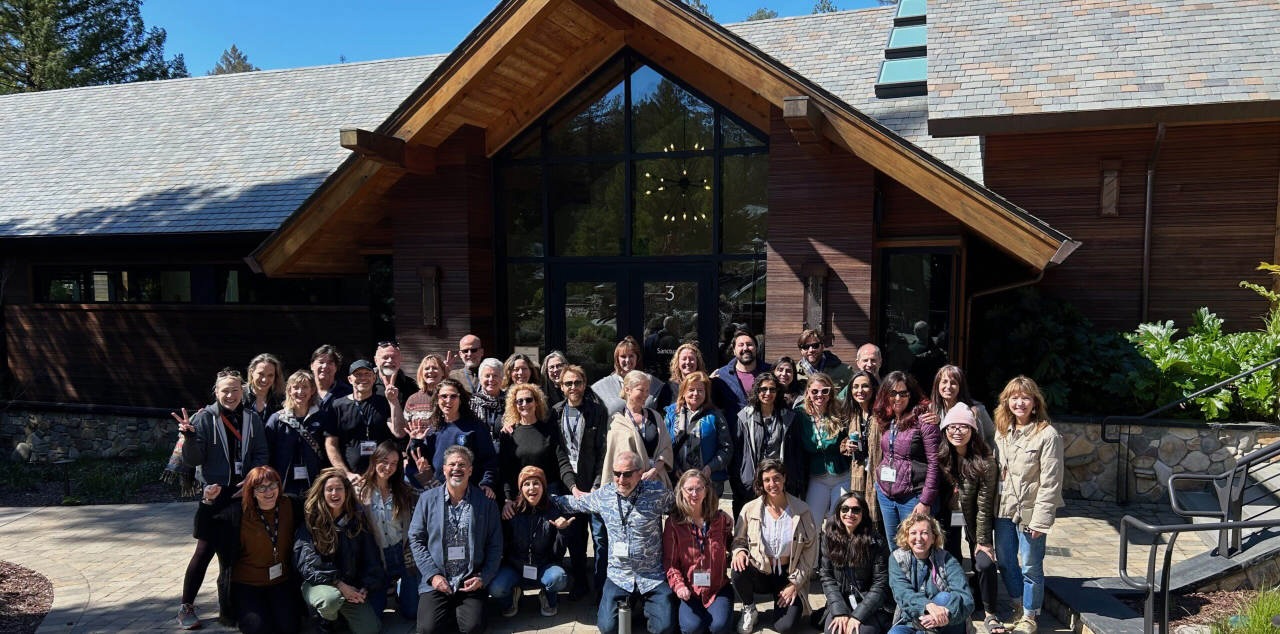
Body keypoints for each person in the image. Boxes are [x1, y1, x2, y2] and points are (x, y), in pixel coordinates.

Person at [174, 368, 269, 630]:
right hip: (214, 494)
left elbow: (261, 453)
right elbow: (193, 460)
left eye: (235, 390)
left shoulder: (252, 419)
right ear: (216, 392)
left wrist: (251, 482)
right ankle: (186, 605)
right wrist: (190, 437)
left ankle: (230, 608)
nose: (230, 395)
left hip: (244, 492)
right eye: (225, 390)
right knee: (204, 551)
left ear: (243, 391)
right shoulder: (203, 418)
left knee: (236, 554)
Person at [551, 451, 676, 634]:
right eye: (616, 473)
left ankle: (643, 608)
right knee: (607, 628)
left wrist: (717, 515)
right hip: (619, 576)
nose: (620, 479)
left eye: (627, 474)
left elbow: (685, 504)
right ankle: (632, 606)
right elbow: (573, 503)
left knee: (665, 628)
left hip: (651, 576)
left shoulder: (656, 493)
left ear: (640, 473)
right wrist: (538, 497)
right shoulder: (605, 495)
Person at [993, 377, 1064, 634]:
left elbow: (1051, 482)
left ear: (1035, 403)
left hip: (1031, 511)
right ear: (1007, 401)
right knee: (1005, 561)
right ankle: (1018, 606)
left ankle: (1031, 616)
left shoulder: (1047, 434)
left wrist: (1041, 521)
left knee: (1032, 565)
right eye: (1014, 397)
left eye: (1025, 397)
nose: (1019, 402)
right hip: (1002, 509)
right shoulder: (1001, 433)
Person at [407, 445, 503, 633]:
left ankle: (459, 612)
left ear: (470, 470)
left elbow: (495, 544)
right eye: (452, 464)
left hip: (470, 580)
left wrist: (483, 577)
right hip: (438, 580)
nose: (456, 468)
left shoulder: (486, 503)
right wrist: (433, 576)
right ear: (443, 469)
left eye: (462, 464)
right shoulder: (427, 499)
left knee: (473, 627)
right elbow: (416, 539)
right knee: (427, 629)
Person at [195, 466, 303, 634]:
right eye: (261, 488)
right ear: (251, 491)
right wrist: (207, 502)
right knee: (259, 628)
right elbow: (204, 530)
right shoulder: (238, 513)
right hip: (247, 585)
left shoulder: (290, 505)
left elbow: (318, 503)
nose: (268, 492)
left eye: (272, 485)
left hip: (281, 582)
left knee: (289, 627)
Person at [730, 459, 818, 634]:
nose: (772, 484)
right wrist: (739, 551)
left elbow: (810, 552)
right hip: (760, 572)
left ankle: (785, 605)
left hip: (788, 574)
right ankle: (749, 608)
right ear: (761, 483)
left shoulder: (802, 510)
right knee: (738, 569)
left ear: (784, 478)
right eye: (767, 480)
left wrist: (795, 583)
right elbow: (738, 538)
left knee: (784, 626)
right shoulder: (750, 509)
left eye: (776, 478)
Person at [294, 468, 384, 634]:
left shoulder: (357, 520)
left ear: (346, 492)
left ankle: (338, 616)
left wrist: (366, 586)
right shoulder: (311, 521)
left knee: (370, 629)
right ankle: (325, 621)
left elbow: (371, 559)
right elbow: (308, 564)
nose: (335, 493)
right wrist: (338, 584)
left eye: (339, 489)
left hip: (350, 586)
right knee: (330, 600)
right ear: (322, 492)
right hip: (320, 584)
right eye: (329, 489)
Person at [937, 404, 1000, 634]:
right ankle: (960, 604)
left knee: (983, 562)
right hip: (949, 518)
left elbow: (984, 507)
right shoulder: (942, 457)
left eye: (963, 426)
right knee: (952, 559)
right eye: (952, 426)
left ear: (973, 430)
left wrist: (983, 542)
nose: (957, 431)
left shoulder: (985, 462)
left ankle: (991, 612)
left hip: (975, 519)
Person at [551, 363, 609, 599]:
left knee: (599, 538)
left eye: (577, 382)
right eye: (568, 383)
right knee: (575, 537)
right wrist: (572, 487)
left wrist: (595, 485)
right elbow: (559, 453)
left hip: (593, 485)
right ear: (561, 386)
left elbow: (602, 451)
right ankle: (580, 584)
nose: (573, 387)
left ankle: (600, 586)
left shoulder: (597, 410)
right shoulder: (555, 412)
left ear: (585, 384)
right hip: (569, 485)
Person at [491, 466, 573, 618]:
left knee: (558, 578)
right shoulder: (511, 511)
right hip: (515, 567)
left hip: (542, 566)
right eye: (526, 484)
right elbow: (503, 546)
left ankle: (547, 597)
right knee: (497, 587)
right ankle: (512, 596)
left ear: (543, 487)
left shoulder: (553, 510)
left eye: (536, 483)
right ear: (520, 488)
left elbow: (557, 554)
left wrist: (562, 531)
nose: (531, 488)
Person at [872, 371, 941, 546]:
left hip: (913, 496)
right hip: (886, 495)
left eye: (903, 393)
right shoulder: (887, 420)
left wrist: (925, 501)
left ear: (911, 395)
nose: (897, 398)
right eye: (893, 393)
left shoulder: (924, 420)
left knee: (915, 547)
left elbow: (934, 463)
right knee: (894, 546)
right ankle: (898, 575)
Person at [664, 469, 734, 634]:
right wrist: (680, 586)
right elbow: (670, 563)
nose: (694, 493)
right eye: (689, 489)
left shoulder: (720, 520)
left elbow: (733, 545)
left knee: (719, 628)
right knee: (693, 628)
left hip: (717, 588)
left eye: (699, 488)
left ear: (706, 490)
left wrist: (739, 550)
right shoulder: (673, 524)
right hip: (689, 590)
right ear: (681, 491)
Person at [356, 441, 421, 619]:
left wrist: (425, 474)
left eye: (394, 463)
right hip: (377, 557)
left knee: (411, 612)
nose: (388, 467)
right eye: (384, 461)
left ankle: (403, 589)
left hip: (402, 554)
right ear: (374, 460)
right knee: (376, 614)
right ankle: (387, 589)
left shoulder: (404, 490)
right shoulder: (359, 491)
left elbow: (435, 494)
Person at [886, 513, 973, 634]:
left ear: (933, 538)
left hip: (946, 622)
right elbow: (903, 593)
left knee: (945, 597)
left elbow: (966, 598)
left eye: (925, 533)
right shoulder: (897, 558)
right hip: (911, 621)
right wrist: (927, 605)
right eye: (913, 533)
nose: (919, 538)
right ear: (906, 537)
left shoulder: (947, 560)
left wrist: (947, 613)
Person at [819, 491, 892, 634]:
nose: (850, 514)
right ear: (839, 512)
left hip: (868, 603)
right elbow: (827, 577)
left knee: (859, 632)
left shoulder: (876, 542)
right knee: (833, 631)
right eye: (845, 509)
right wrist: (839, 611)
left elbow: (880, 583)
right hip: (841, 599)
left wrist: (857, 615)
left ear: (863, 513)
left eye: (856, 510)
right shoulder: (829, 538)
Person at [733, 372, 803, 518]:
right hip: (753, 482)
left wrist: (795, 480)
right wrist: (742, 480)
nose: (768, 393)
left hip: (781, 482)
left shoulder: (789, 418)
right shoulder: (745, 417)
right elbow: (738, 453)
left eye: (772, 389)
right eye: (763, 389)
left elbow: (796, 452)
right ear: (756, 391)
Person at [325, 359, 406, 481]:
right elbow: (331, 445)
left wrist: (394, 401)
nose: (363, 378)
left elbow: (399, 432)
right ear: (350, 379)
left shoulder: (384, 403)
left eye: (368, 374)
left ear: (374, 379)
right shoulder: (337, 406)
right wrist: (346, 474)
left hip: (381, 476)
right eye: (358, 374)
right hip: (352, 479)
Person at [421, 379, 498, 498]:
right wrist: (415, 442)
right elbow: (420, 464)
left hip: (470, 494)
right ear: (437, 399)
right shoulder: (432, 430)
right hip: (439, 494)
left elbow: (489, 459)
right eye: (444, 396)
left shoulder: (475, 427)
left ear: (460, 399)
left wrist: (487, 483)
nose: (448, 401)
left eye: (453, 396)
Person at [602, 369, 675, 489]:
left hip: (656, 482)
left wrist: (654, 470)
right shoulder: (616, 421)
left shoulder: (655, 417)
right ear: (627, 390)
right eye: (641, 390)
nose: (646, 395)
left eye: (647, 391)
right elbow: (613, 457)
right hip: (628, 486)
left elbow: (666, 448)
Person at [266, 370, 333, 496]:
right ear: (289, 391)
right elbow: (267, 453)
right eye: (295, 387)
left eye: (305, 387)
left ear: (312, 390)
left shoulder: (322, 418)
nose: (300, 392)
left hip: (315, 485)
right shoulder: (277, 419)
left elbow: (329, 450)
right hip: (284, 485)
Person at [499, 384, 566, 509]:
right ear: (515, 405)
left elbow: (561, 461)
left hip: (548, 494)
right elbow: (505, 470)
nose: (524, 404)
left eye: (529, 400)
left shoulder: (549, 430)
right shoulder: (508, 434)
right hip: (520, 496)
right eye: (520, 401)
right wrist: (508, 498)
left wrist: (572, 488)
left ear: (536, 402)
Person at [664, 371, 732, 492]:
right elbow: (664, 446)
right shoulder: (671, 414)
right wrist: (674, 467)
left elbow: (726, 449)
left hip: (708, 482)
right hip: (678, 481)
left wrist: (710, 468)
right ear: (683, 392)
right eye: (691, 390)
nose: (696, 394)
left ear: (706, 393)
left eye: (700, 390)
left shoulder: (715, 416)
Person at [798, 372, 850, 518]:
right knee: (812, 521)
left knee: (839, 522)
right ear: (808, 392)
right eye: (814, 391)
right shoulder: (800, 415)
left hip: (842, 475)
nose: (819, 395)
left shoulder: (840, 412)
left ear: (830, 392)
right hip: (817, 477)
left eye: (824, 391)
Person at [592, 336, 670, 416]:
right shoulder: (604, 386)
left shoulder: (651, 382)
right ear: (617, 359)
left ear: (637, 357)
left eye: (631, 356)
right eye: (623, 356)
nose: (627, 360)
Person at [710, 330, 772, 426]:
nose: (745, 348)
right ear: (734, 350)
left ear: (756, 348)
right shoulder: (722, 376)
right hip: (734, 434)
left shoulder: (769, 372)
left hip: (764, 431)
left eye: (749, 344)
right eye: (741, 345)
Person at [844, 371, 881, 525]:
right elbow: (843, 441)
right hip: (859, 475)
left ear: (873, 389)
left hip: (879, 475)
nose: (860, 391)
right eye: (855, 387)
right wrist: (846, 445)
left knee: (878, 518)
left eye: (865, 386)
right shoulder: (852, 414)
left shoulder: (882, 414)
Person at [929, 365, 995, 444]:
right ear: (937, 385)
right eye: (944, 382)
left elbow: (991, 436)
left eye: (953, 383)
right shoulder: (932, 410)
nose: (948, 386)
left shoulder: (977, 409)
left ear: (960, 387)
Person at [471, 357, 506, 451]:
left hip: (505, 454)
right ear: (480, 378)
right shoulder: (471, 402)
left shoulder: (510, 402)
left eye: (495, 376)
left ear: (502, 378)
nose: (491, 379)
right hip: (478, 454)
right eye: (487, 375)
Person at [373, 340, 418, 409]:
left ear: (400, 360)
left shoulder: (411, 386)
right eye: (385, 357)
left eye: (393, 357)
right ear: (376, 360)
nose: (390, 360)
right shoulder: (368, 384)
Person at [310, 345, 351, 413]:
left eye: (330, 363)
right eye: (321, 362)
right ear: (312, 366)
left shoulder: (348, 393)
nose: (325, 366)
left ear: (336, 367)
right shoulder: (303, 392)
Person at [245, 353, 285, 422]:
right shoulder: (239, 396)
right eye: (261, 374)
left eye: (270, 375)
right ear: (252, 372)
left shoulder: (281, 401)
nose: (264, 379)